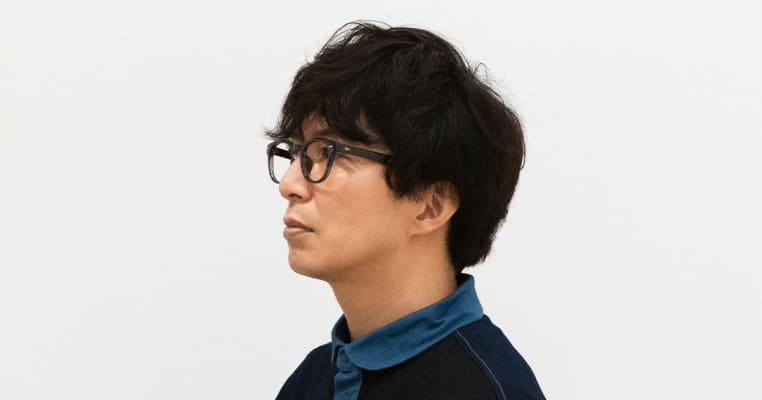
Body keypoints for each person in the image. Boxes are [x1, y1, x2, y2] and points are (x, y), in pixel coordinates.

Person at [266, 21, 545, 400]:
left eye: (327, 153)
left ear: (432, 205)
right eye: (297, 153)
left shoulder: (482, 390)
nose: (289, 185)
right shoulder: (314, 378)